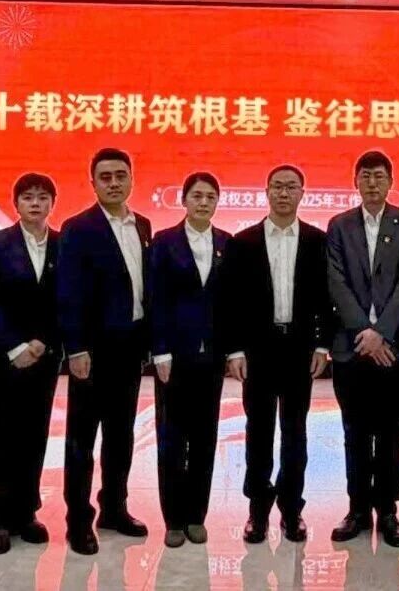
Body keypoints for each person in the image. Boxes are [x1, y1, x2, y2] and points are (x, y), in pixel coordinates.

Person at [219, 165, 332, 544]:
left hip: (299, 348)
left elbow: (325, 298)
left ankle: (292, 509)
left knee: (295, 431)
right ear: (266, 192)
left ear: (302, 193)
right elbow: (231, 302)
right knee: (259, 430)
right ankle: (257, 510)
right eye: (277, 187)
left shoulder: (317, 240)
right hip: (259, 350)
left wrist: (322, 345)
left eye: (291, 187)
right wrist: (235, 350)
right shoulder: (243, 242)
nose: (284, 193)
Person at [57, 148, 153, 555]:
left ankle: (114, 508)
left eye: (120, 175)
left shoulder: (142, 225)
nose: (114, 183)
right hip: (92, 351)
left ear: (131, 179)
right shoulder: (78, 228)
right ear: (93, 183)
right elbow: (68, 293)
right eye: (105, 177)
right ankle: (78, 520)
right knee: (82, 438)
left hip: (130, 348)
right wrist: (75, 347)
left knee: (120, 434)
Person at [326, 150, 399, 548]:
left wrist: (381, 332)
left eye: (379, 176)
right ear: (355, 182)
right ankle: (358, 510)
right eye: (365, 176)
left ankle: (389, 510)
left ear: (390, 181)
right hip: (352, 349)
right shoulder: (339, 225)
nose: (372, 183)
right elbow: (336, 281)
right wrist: (364, 333)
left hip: (395, 349)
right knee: (355, 431)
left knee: (391, 431)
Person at [0, 173, 63, 555]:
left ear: (52, 204)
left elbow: (65, 298)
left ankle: (27, 513)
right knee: (1, 435)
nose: (35, 204)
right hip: (3, 356)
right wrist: (15, 345)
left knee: (34, 434)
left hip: (44, 357)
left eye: (43, 197)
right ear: (16, 204)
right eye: (28, 197)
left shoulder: (62, 245)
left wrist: (42, 342)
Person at [148, 172, 231, 548]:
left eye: (210, 196)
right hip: (174, 356)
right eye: (197, 195)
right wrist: (160, 350)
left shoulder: (226, 244)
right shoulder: (164, 242)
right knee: (171, 437)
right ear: (184, 200)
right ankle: (173, 519)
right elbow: (156, 298)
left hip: (210, 357)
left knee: (204, 437)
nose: (203, 202)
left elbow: (231, 303)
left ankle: (197, 515)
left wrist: (234, 351)